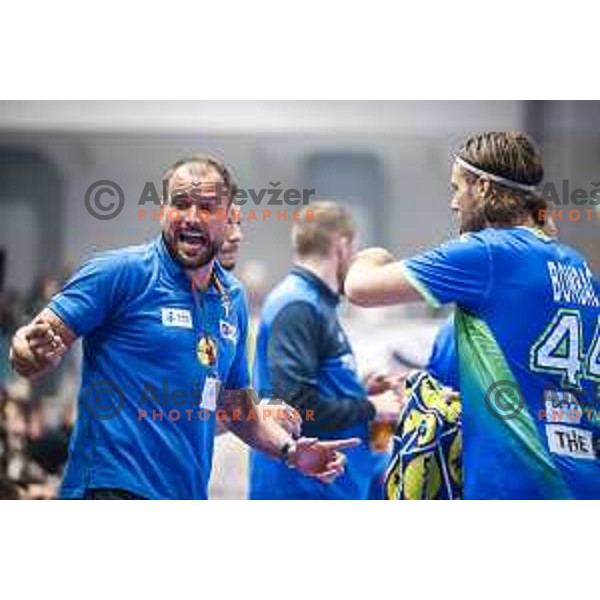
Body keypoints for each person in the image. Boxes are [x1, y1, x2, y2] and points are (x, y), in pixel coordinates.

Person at [9, 156, 358, 500]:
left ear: (228, 218)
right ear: (163, 211)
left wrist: (291, 452)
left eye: (206, 207)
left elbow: (238, 411)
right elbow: (28, 349)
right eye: (180, 204)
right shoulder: (120, 273)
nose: (191, 217)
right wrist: (31, 351)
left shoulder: (231, 299)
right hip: (110, 488)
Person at [346, 132, 600, 499]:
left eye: (457, 187)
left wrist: (371, 255)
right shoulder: (578, 268)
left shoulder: (488, 254)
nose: (453, 202)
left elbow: (359, 289)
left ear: (481, 186)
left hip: (517, 484)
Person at [249, 201, 403, 499]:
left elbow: (315, 389)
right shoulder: (298, 306)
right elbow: (297, 405)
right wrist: (372, 407)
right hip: (305, 491)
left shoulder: (315, 305)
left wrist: (360, 392)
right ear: (342, 247)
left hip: (328, 486)